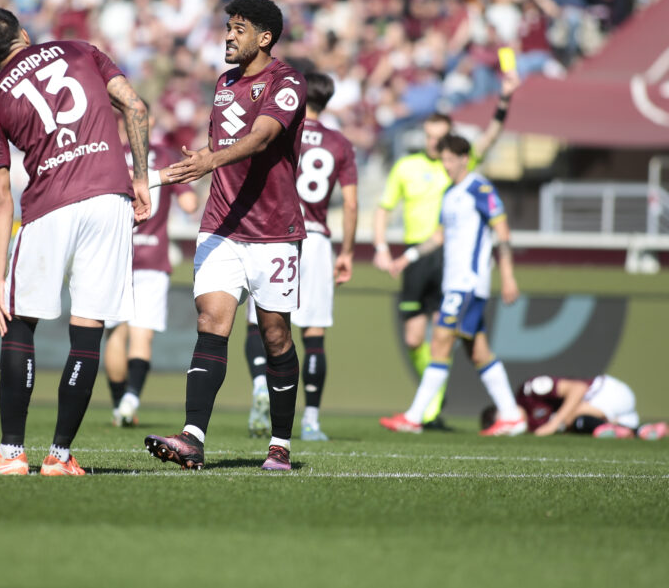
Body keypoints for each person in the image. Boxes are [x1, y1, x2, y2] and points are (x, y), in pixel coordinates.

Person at [0, 8, 151, 477]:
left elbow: (0, 195)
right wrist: (140, 178)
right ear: (24, 33)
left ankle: (11, 453)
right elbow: (136, 107)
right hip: (109, 197)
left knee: (19, 325)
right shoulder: (82, 50)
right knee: (87, 332)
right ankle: (59, 457)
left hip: (50, 206)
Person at [144, 0, 308, 471]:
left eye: (239, 28)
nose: (228, 36)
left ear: (265, 37)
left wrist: (211, 160)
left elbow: (260, 139)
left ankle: (280, 443)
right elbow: (220, 149)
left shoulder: (287, 82)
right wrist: (185, 168)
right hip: (221, 224)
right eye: (228, 27)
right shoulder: (223, 84)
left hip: (275, 230)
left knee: (275, 337)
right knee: (211, 322)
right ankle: (193, 437)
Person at [372, 71, 519, 429]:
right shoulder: (450, 194)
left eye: (451, 157)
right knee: (476, 349)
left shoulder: (478, 187)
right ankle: (513, 416)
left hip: (466, 281)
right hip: (448, 275)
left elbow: (502, 230)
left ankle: (415, 416)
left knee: (439, 340)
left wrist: (509, 276)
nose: (444, 161)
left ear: (463, 158)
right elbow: (437, 237)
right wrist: (404, 256)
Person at [241, 71, 357, 442]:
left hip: (275, 232)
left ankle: (261, 386)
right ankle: (311, 419)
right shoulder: (339, 142)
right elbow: (352, 204)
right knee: (314, 333)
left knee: (257, 323)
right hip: (318, 239)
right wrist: (349, 252)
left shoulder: (280, 128)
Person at [105, 109, 199, 428]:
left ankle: (120, 405)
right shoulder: (167, 155)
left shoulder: (110, 154)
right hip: (154, 257)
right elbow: (190, 205)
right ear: (151, 122)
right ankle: (131, 399)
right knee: (141, 335)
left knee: (115, 333)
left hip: (114, 255)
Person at [480, 374, 667, 440]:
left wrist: (555, 424)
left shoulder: (530, 390)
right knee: (578, 424)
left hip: (608, 392)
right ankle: (640, 430)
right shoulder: (530, 427)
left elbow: (579, 388)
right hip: (612, 413)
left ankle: (620, 427)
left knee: (569, 417)